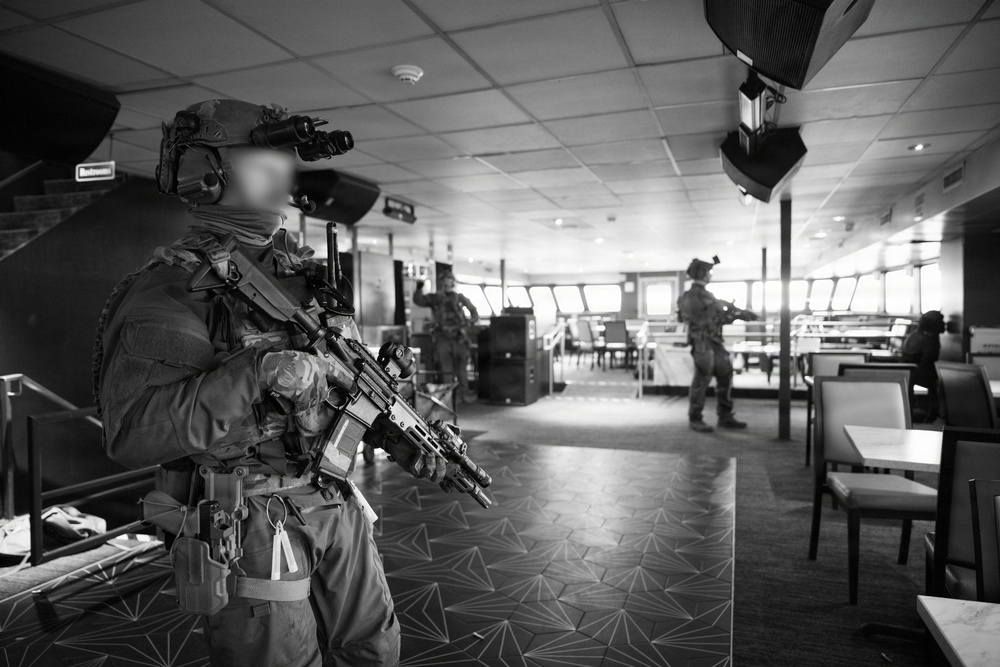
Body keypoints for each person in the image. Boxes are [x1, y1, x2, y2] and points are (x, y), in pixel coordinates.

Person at [94, 99, 445, 667]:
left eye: (284, 165)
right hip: (252, 518)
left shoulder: (304, 274)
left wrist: (411, 426)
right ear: (208, 174)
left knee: (375, 649)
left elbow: (348, 381)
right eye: (264, 163)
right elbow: (133, 431)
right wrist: (255, 371)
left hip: (335, 501)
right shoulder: (174, 287)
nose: (282, 180)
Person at [677, 257, 759, 433]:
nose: (710, 276)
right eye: (708, 272)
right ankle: (695, 417)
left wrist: (737, 315)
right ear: (701, 274)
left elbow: (716, 318)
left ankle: (725, 415)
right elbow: (703, 319)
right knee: (702, 379)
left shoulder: (706, 295)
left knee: (726, 373)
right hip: (701, 342)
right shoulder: (690, 297)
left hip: (714, 342)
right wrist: (728, 313)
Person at [413, 271, 479, 401]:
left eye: (450, 280)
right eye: (445, 280)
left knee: (461, 369)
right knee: (445, 369)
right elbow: (419, 300)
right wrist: (419, 288)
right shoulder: (436, 298)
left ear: (453, 283)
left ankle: (463, 394)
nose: (447, 283)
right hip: (443, 337)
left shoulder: (460, 298)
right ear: (442, 283)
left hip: (459, 337)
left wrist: (468, 323)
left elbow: (474, 312)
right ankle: (448, 397)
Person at [900, 310, 946, 421]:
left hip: (906, 371)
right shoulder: (930, 339)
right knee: (943, 380)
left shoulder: (915, 334)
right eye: (941, 321)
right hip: (919, 372)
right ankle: (935, 413)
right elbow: (928, 362)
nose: (944, 324)